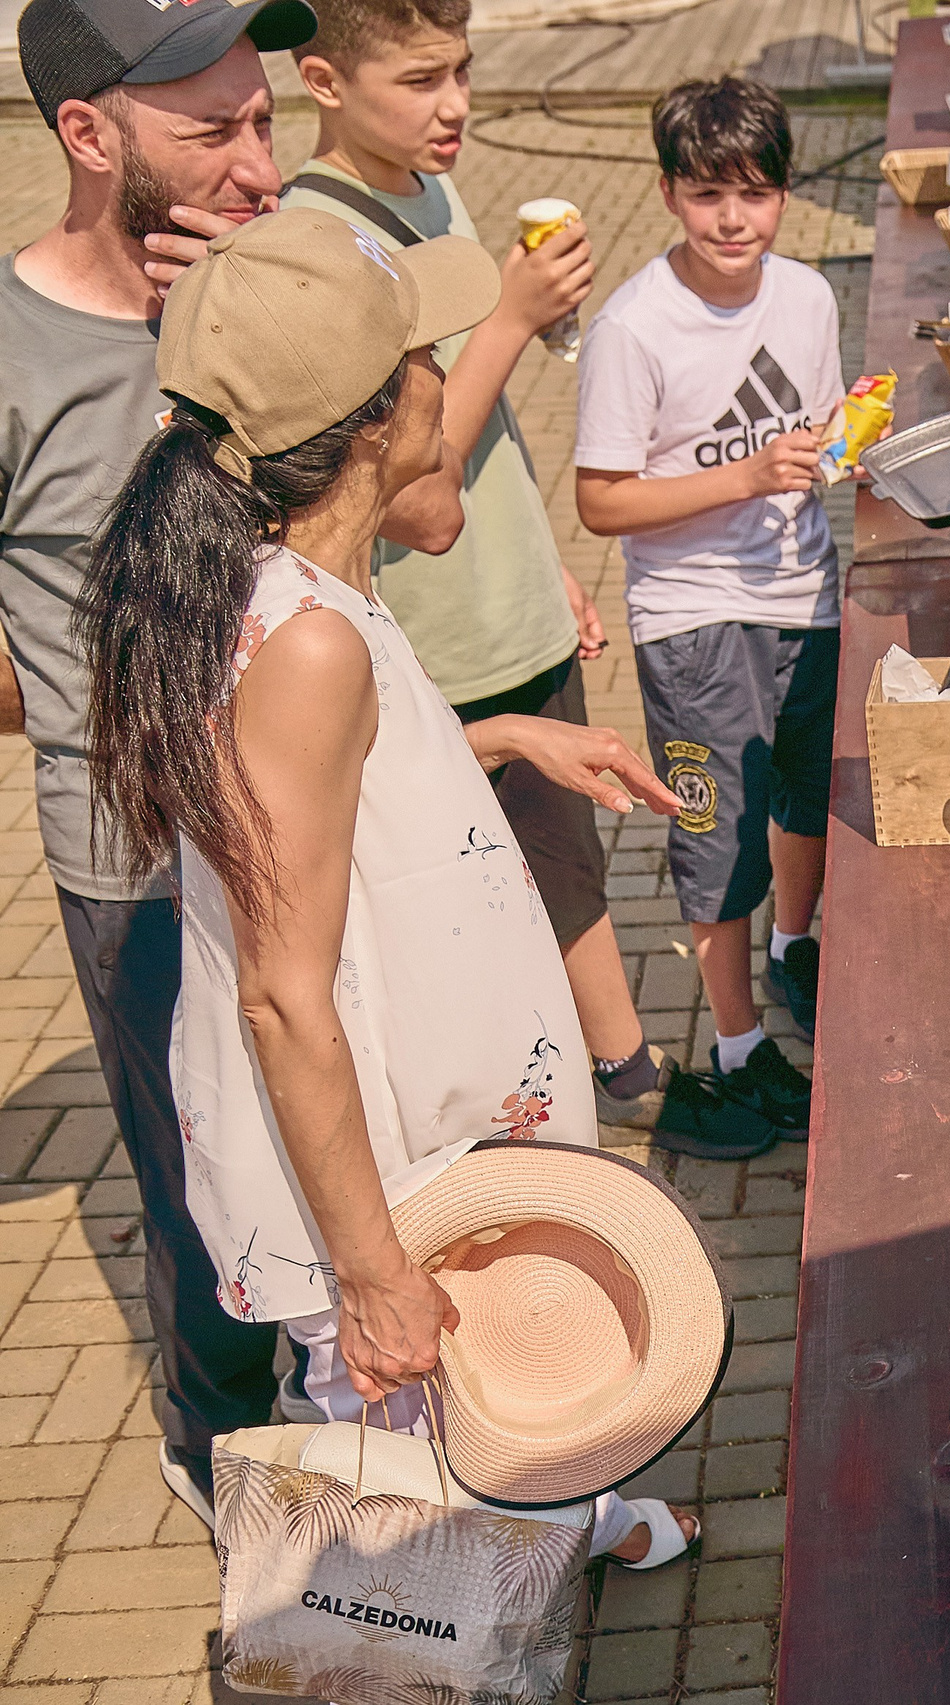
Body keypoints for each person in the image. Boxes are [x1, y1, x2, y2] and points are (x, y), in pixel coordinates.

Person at [80, 208, 698, 1569]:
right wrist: (372, 1278)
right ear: (373, 420)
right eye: (423, 349)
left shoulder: (305, 594)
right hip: (380, 1176)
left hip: (417, 1139)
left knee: (480, 1436)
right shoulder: (304, 641)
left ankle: (555, 1530)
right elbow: (283, 997)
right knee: (403, 1516)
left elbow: (320, 815)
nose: (446, 368)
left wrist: (502, 739)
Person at [1, 0, 420, 1525]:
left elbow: (411, 507)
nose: (261, 164)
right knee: (209, 1198)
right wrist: (94, 704)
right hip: (139, 868)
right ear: (90, 135)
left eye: (264, 119)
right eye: (212, 131)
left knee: (368, 1134)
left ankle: (419, 1429)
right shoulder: (15, 348)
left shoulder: (283, 275)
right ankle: (235, 1465)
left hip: (337, 820)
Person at [283, 0, 777, 1159]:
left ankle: (620, 1066)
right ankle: (528, 1114)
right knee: (471, 882)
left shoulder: (428, 185)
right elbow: (407, 495)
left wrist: (544, 556)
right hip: (437, 634)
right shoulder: (324, 243)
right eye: (418, 80)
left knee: (563, 850)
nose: (453, 104)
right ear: (322, 81)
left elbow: (482, 421)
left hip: (509, 603)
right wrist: (511, 313)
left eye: (462, 70)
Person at [574, 77, 835, 1129]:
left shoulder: (810, 296)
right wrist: (745, 476)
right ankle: (736, 1044)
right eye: (707, 194)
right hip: (690, 615)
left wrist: (841, 451)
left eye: (756, 194)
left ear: (783, 194)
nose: (733, 220)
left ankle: (794, 944)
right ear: (671, 194)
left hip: (802, 589)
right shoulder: (633, 329)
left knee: (807, 797)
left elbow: (811, 437)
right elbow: (598, 501)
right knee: (716, 835)